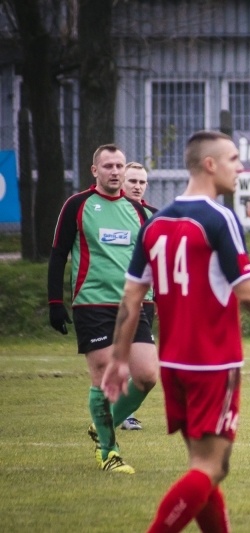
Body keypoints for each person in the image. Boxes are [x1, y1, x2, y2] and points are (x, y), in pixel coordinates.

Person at [102, 130, 250, 532]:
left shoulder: (155, 222)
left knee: (206, 466)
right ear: (210, 165)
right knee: (210, 469)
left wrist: (120, 357)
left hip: (174, 364)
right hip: (213, 364)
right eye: (234, 159)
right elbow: (247, 292)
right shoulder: (219, 218)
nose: (241, 167)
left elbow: (131, 297)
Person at [47, 144, 159, 474]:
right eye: (107, 165)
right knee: (105, 376)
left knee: (147, 376)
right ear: (95, 171)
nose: (114, 171)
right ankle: (109, 453)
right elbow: (57, 254)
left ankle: (105, 422)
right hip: (92, 304)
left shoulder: (138, 212)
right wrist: (55, 302)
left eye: (119, 165)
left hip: (132, 306)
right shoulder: (78, 205)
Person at [118, 161, 158, 431]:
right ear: (121, 181)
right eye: (132, 181)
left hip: (148, 299)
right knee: (114, 358)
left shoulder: (154, 216)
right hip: (114, 299)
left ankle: (123, 412)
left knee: (142, 363)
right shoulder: (107, 210)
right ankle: (112, 415)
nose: (137, 186)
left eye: (142, 182)